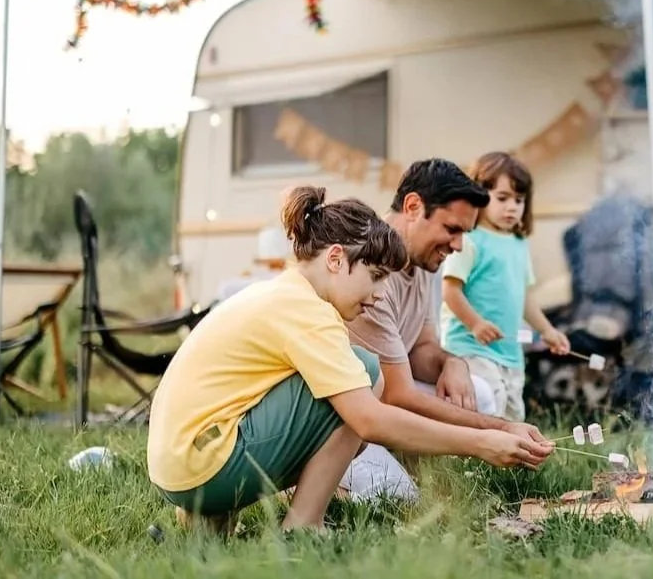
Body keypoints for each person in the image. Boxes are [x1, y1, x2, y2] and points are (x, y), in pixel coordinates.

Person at [146, 185, 553, 534]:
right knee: (366, 372)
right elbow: (370, 420)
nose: (378, 294)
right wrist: (482, 443)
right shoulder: (308, 312)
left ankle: (210, 517)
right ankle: (303, 526)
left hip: (177, 466)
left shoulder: (280, 294)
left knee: (353, 376)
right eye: (375, 276)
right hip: (203, 467)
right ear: (337, 259)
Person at [341, 159, 553, 500]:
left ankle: (412, 465)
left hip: (382, 404)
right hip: (346, 420)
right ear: (413, 207)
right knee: (394, 498)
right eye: (451, 229)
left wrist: (453, 363)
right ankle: (309, 482)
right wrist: (500, 431)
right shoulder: (371, 270)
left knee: (478, 393)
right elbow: (398, 394)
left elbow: (421, 347)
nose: (457, 246)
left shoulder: (426, 262)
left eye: (464, 234)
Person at [440, 152, 571, 422]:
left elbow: (523, 298)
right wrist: (475, 324)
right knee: (489, 408)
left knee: (513, 414)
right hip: (471, 348)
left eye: (519, 200)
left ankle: (507, 463)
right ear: (479, 195)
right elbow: (450, 290)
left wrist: (547, 330)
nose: (512, 207)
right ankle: (475, 462)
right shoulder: (470, 240)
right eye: (502, 198)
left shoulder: (519, 244)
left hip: (510, 353)